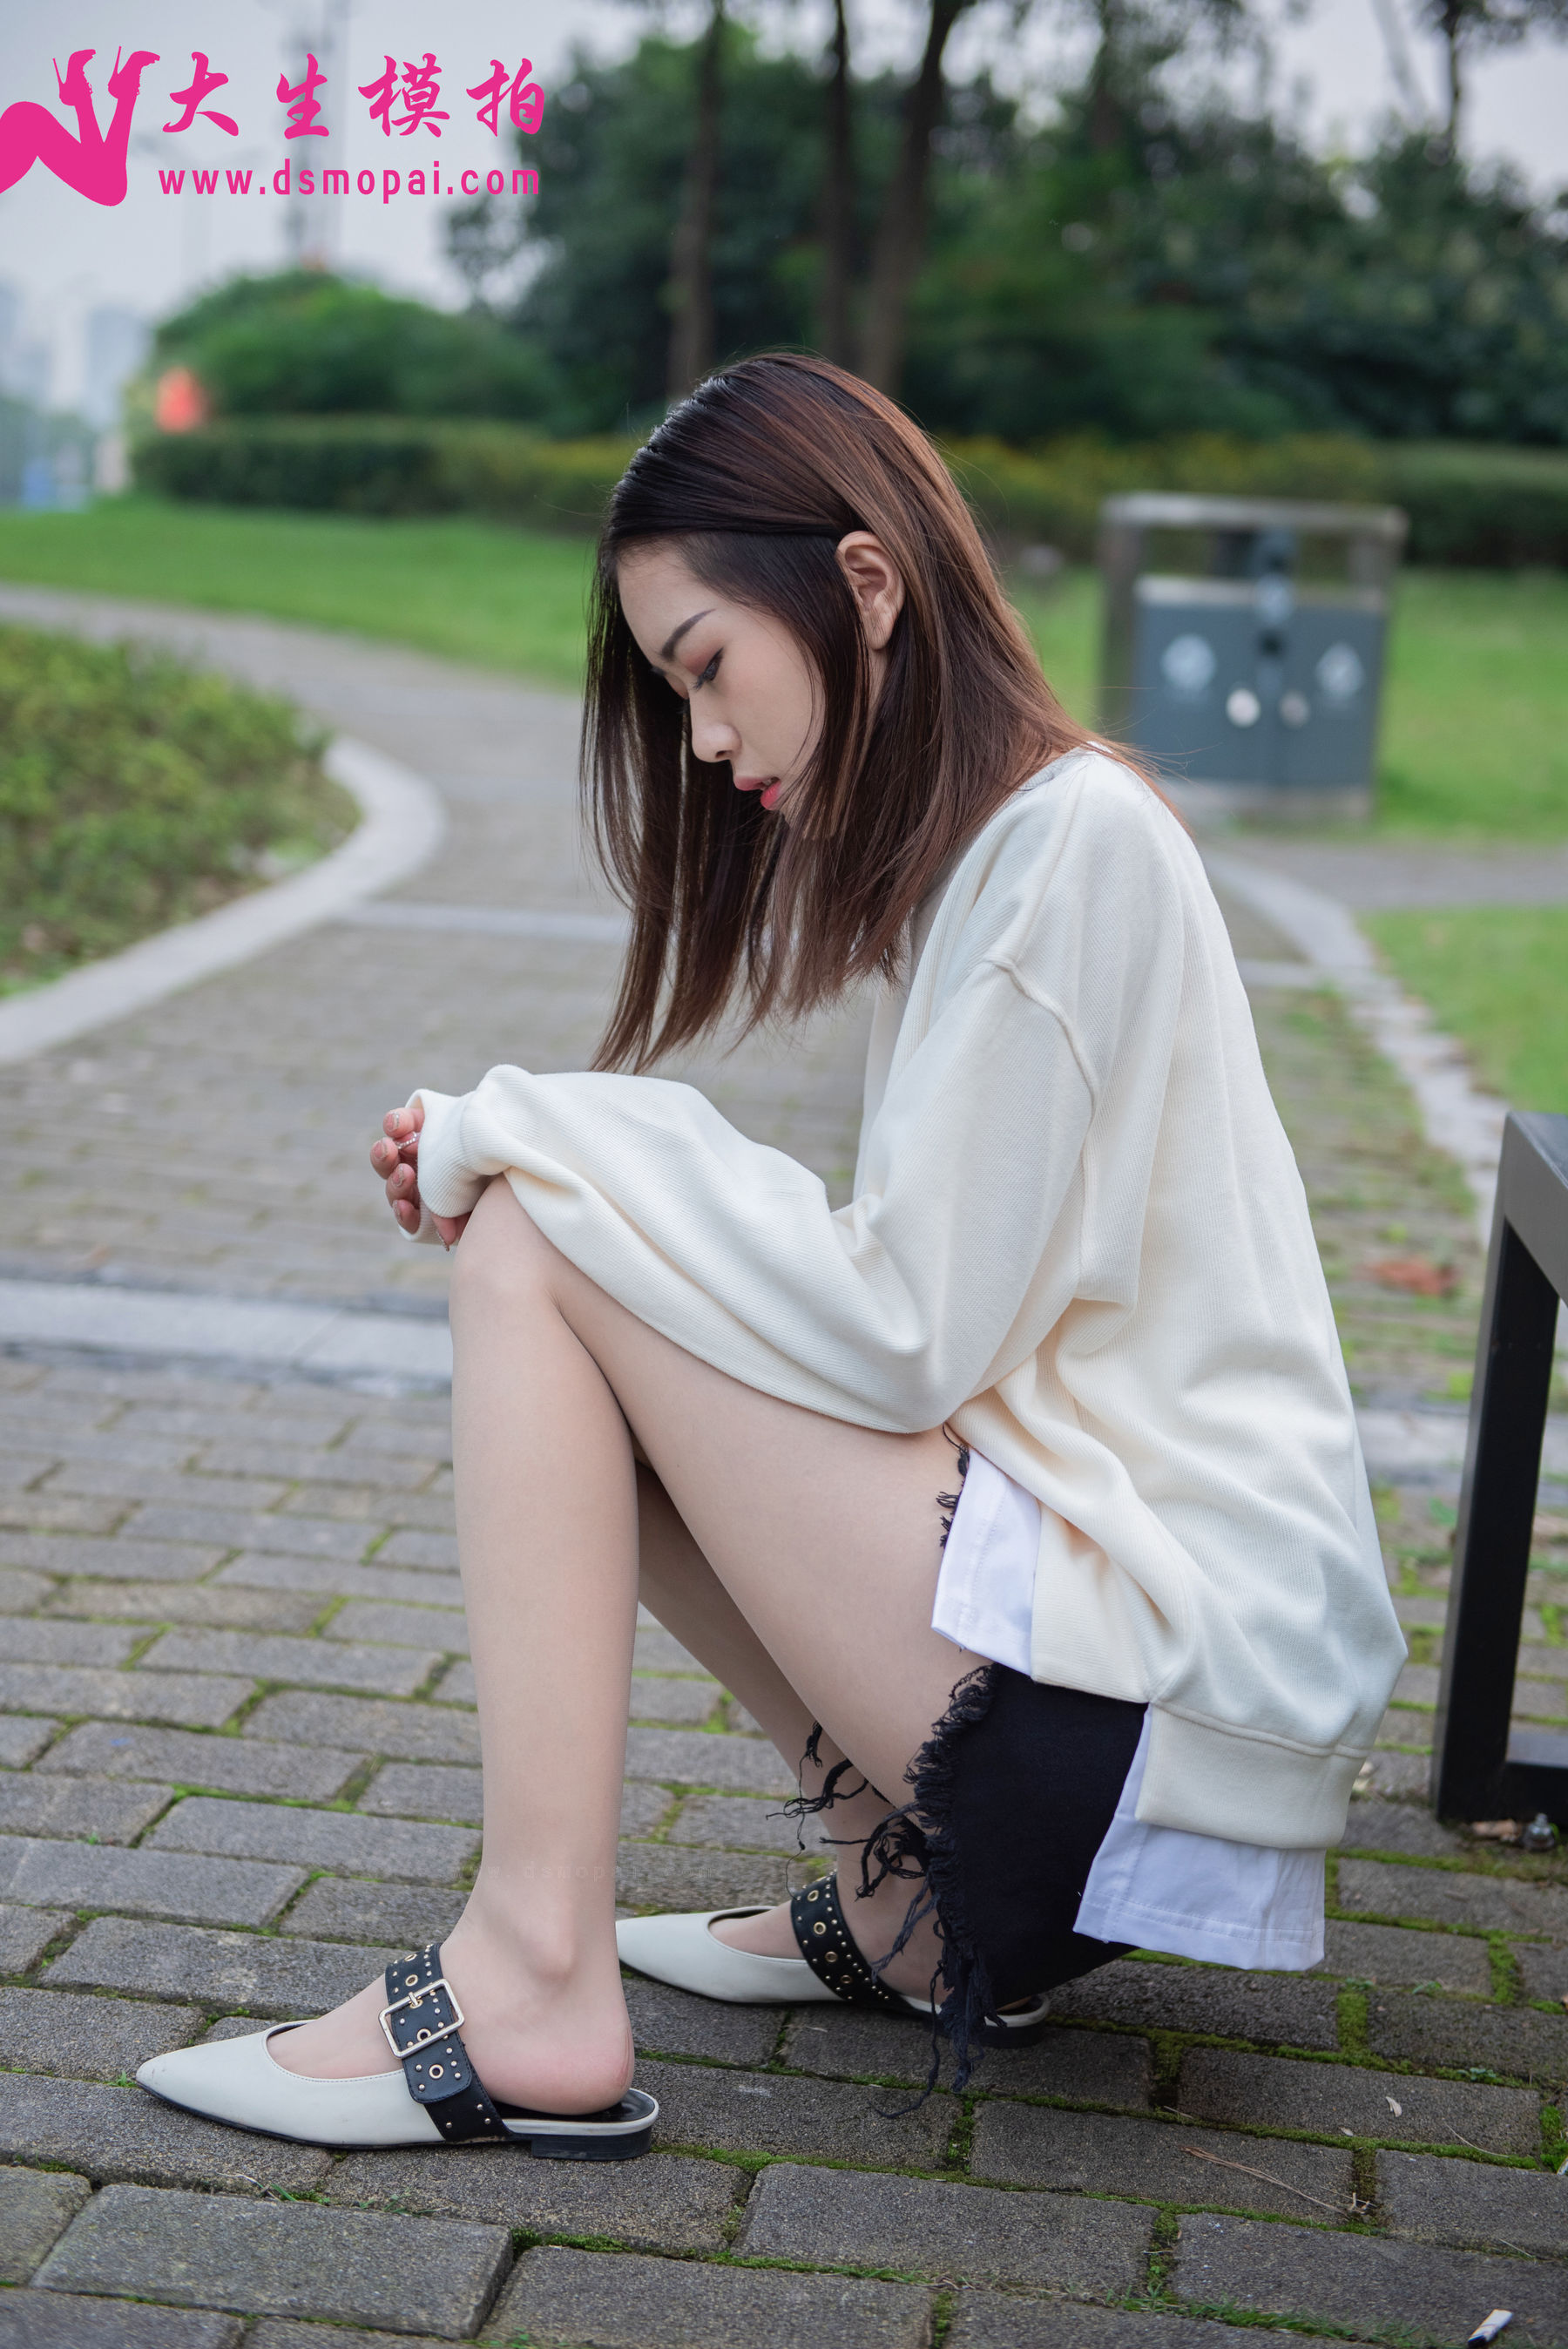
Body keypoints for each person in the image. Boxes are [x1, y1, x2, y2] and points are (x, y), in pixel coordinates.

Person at [137, 354, 1405, 2157]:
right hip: (1128, 1721)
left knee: (536, 1252)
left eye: (706, 666)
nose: (707, 742)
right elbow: (914, 1328)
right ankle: (911, 1899)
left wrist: (547, 1137)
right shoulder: (1013, 850)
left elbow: (900, 1332)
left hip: (1143, 1736)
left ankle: (532, 1970)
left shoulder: (1071, 846)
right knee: (590, 1283)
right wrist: (572, 1158)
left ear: (865, 583)